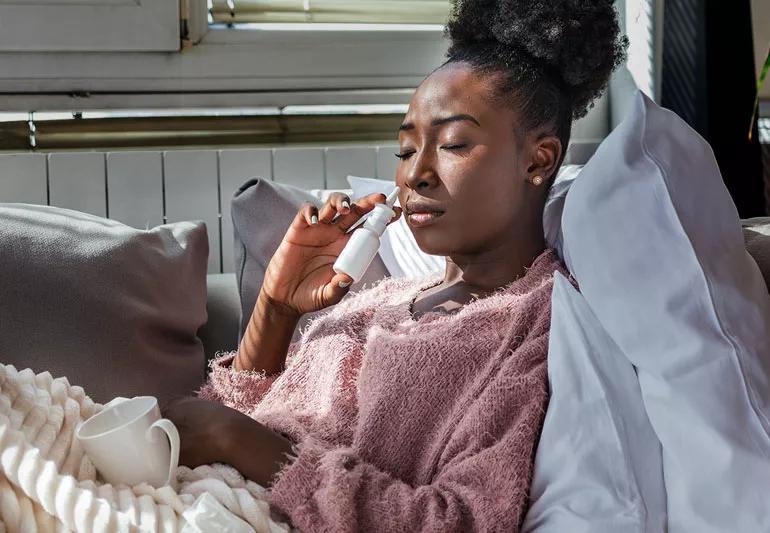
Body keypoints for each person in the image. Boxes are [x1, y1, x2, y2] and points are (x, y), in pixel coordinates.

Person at [161, 1, 628, 530]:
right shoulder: (378, 298)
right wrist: (275, 307)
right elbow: (227, 416)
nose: (417, 175)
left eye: (453, 143)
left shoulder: (533, 330)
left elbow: (459, 521)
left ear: (538, 160)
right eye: (406, 150)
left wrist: (240, 443)